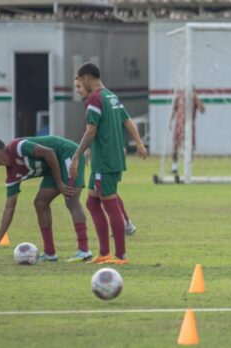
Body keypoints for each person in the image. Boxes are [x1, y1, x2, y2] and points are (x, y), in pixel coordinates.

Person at [70, 62, 147, 265]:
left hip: (104, 160)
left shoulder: (94, 99)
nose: (79, 88)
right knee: (92, 202)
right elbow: (127, 120)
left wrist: (77, 155)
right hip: (109, 158)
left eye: (79, 82)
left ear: (86, 78)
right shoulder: (111, 96)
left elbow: (91, 131)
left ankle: (120, 255)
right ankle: (104, 252)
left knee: (108, 202)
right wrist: (138, 143)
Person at [0, 136, 92, 262]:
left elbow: (49, 152)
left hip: (68, 154)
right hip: (53, 168)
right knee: (40, 203)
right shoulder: (12, 175)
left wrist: (59, 183)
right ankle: (50, 253)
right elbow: (9, 208)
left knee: (71, 199)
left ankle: (84, 250)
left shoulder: (18, 147)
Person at [170, 88, 206, 174]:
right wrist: (170, 122)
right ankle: (174, 167)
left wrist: (197, 98)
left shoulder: (194, 98)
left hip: (189, 126)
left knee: (190, 148)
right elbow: (174, 110)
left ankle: (188, 168)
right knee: (175, 146)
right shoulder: (179, 97)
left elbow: (202, 110)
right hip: (178, 125)